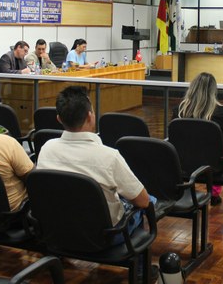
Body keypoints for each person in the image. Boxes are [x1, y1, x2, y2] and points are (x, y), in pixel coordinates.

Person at [36, 86, 151, 234]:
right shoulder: (109, 156)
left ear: (59, 119)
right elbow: (142, 201)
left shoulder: (46, 149)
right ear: (90, 116)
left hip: (59, 229)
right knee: (149, 200)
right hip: (104, 235)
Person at [174, 72, 223, 205]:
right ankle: (214, 193)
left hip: (185, 163)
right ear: (213, 91)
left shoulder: (179, 111)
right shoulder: (222, 112)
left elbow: (173, 138)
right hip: (216, 165)